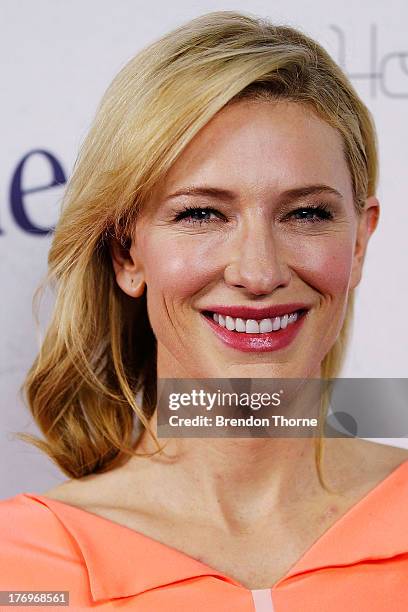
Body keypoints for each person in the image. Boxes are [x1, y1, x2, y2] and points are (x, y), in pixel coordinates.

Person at [1, 10, 408, 612]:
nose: (259, 272)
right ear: (126, 253)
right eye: (201, 215)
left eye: (306, 214)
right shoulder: (28, 558)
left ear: (358, 241)